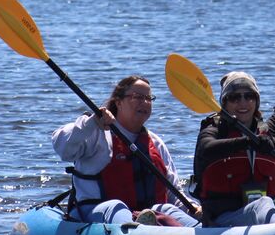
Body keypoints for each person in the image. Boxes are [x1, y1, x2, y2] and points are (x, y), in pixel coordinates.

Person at [52, 75, 199, 226]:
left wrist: (192, 208)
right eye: (137, 97)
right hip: (97, 213)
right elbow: (61, 146)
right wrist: (91, 122)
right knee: (116, 207)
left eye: (149, 98)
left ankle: (203, 233)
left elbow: (173, 192)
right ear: (118, 102)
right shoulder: (97, 133)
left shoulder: (156, 143)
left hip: (148, 215)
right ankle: (135, 233)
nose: (145, 102)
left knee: (166, 208)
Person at [192, 71, 275, 227]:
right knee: (264, 203)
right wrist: (247, 142)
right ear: (225, 103)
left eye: (249, 96)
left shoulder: (268, 142)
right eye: (234, 97)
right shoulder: (213, 131)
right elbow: (205, 149)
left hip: (260, 222)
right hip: (221, 223)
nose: (243, 102)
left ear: (256, 102)